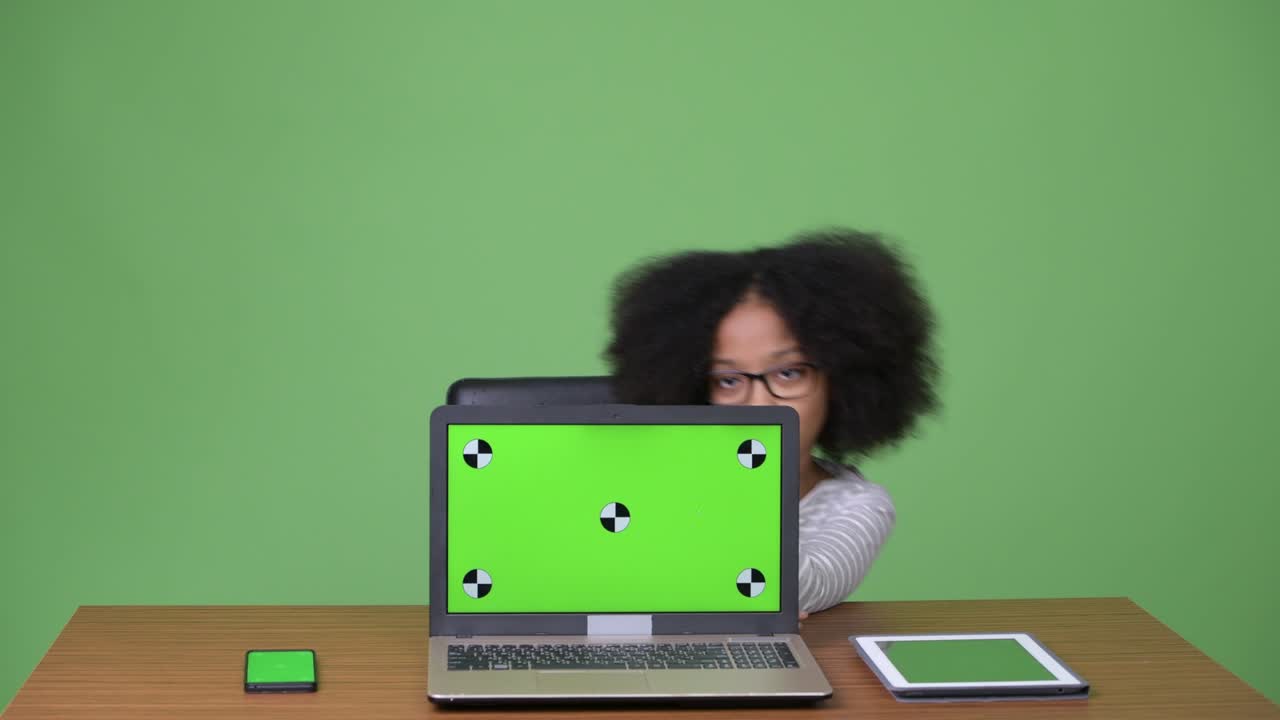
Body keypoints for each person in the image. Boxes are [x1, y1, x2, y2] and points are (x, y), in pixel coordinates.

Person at [604, 228, 940, 616]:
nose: (759, 404)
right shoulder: (647, 483)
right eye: (728, 381)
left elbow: (789, 592)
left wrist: (741, 483)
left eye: (788, 374)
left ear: (840, 381)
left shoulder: (856, 506)